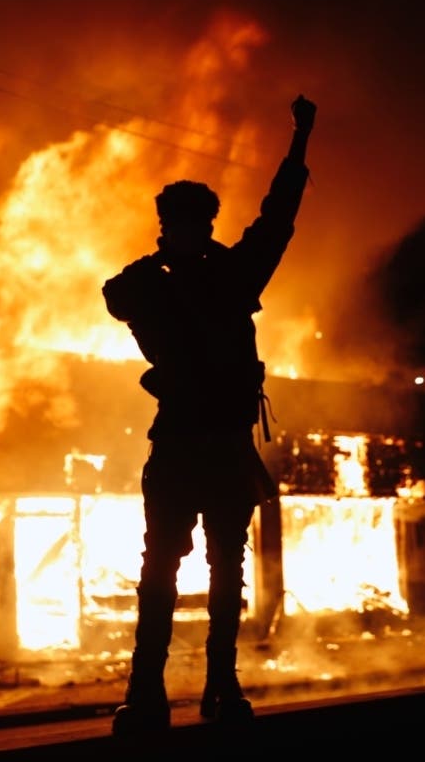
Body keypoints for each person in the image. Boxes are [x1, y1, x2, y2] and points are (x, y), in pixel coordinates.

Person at [102, 94, 316, 735]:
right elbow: (114, 298)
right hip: (186, 442)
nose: (185, 233)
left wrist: (300, 143)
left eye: (192, 224)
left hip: (219, 442)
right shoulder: (162, 280)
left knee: (222, 570)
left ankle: (217, 687)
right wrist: (163, 264)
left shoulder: (229, 275)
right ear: (169, 226)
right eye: (178, 225)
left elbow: (279, 216)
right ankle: (149, 693)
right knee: (163, 571)